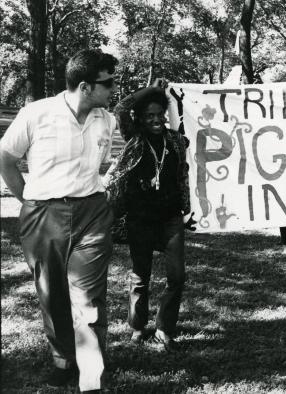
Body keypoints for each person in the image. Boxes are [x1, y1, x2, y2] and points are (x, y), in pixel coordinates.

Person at [0, 49, 118, 392]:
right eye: (108, 83)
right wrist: (28, 198)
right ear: (85, 86)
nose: (113, 88)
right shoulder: (36, 114)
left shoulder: (105, 119)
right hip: (42, 214)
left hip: (92, 213)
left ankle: (92, 375)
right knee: (51, 292)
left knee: (88, 295)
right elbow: (6, 157)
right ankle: (63, 359)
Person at [103, 79, 192, 351]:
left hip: (170, 218)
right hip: (140, 218)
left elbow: (183, 171)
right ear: (140, 118)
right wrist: (150, 89)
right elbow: (120, 108)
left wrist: (187, 207)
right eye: (149, 115)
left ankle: (164, 329)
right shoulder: (135, 139)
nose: (155, 120)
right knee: (141, 276)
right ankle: (138, 326)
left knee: (176, 277)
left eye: (159, 115)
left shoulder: (175, 141)